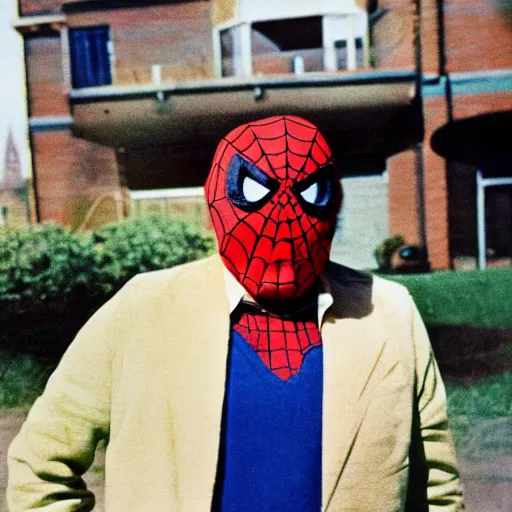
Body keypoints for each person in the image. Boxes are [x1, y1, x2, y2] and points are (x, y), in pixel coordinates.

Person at [8, 115, 463, 511]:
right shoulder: (143, 311)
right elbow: (40, 466)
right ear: (216, 199)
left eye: (310, 192)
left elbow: (437, 488)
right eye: (256, 191)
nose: (286, 213)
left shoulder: (388, 314)